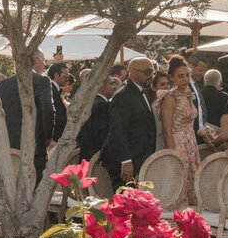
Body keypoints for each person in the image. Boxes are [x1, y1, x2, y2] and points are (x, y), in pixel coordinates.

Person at [0, 51, 52, 180]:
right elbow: (47, 110)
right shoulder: (41, 81)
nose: (44, 64)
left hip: (5, 146)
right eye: (43, 60)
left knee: (6, 186)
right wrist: (48, 135)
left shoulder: (4, 84)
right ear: (36, 59)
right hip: (33, 144)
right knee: (32, 187)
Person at [102, 57, 157, 191]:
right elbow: (117, 130)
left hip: (140, 158)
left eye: (153, 72)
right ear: (133, 72)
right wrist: (126, 161)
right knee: (126, 204)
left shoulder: (141, 92)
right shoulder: (124, 95)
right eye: (147, 71)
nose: (151, 76)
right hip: (127, 161)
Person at [155, 56, 201, 205]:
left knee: (194, 181)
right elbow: (167, 130)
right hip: (178, 143)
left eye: (187, 75)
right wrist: (173, 154)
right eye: (180, 76)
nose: (185, 79)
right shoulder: (169, 97)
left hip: (191, 142)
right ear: (172, 78)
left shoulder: (188, 95)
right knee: (180, 181)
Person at [78, 74, 119, 161]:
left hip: (88, 154)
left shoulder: (93, 101)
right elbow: (102, 135)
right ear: (101, 87)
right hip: (95, 157)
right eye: (111, 84)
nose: (115, 87)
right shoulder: (101, 105)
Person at [47, 62, 70, 143]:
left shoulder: (55, 89)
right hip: (53, 138)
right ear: (56, 75)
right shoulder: (50, 89)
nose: (67, 78)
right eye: (65, 75)